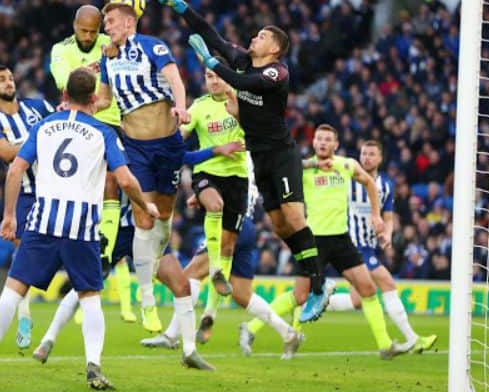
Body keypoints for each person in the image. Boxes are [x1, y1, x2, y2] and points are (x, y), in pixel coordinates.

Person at [0, 68, 159, 390]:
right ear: (93, 99)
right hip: (82, 230)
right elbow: (126, 180)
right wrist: (146, 206)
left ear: (63, 97)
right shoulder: (103, 132)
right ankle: (94, 369)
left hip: (42, 224)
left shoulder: (42, 126)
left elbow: (15, 169)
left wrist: (9, 216)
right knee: (90, 299)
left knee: (10, 295)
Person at [158, 0, 332, 322]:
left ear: (275, 48)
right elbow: (212, 34)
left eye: (262, 36)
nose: (255, 37)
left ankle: (319, 286)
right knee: (281, 228)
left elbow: (246, 82)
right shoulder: (243, 61)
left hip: (282, 154)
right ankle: (316, 279)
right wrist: (182, 7)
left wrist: (211, 64)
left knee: (296, 219)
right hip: (259, 158)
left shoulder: (276, 72)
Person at [31, 143, 241, 369]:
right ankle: (48, 339)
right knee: (85, 284)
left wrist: (214, 151)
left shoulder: (162, 145)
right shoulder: (123, 147)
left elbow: (184, 156)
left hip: (149, 233)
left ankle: (189, 351)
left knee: (182, 287)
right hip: (121, 231)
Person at [98, 0, 190, 334]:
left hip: (167, 144)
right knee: (142, 219)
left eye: (111, 19)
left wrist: (181, 106)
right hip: (134, 146)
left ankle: (150, 265)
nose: (107, 25)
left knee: (163, 217)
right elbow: (105, 98)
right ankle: (147, 302)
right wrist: (83, 106)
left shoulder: (153, 46)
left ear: (129, 20)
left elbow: (174, 79)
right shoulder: (108, 58)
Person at [142, 166, 304, 360]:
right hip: (248, 226)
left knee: (190, 275)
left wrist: (200, 195)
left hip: (229, 224)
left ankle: (171, 335)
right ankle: (288, 333)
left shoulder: (228, 159)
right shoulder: (249, 163)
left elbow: (222, 188)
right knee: (242, 294)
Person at [273, 124, 406, 360]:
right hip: (313, 240)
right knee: (301, 296)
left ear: (336, 144)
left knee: (367, 289)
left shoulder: (346, 165)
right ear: (313, 142)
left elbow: (370, 183)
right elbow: (281, 170)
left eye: (328, 140)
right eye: (319, 139)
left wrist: (376, 214)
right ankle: (269, 331)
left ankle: (385, 345)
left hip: (341, 239)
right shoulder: (303, 168)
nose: (323, 143)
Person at [50, 5, 135, 322]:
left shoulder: (111, 41)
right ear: (75, 26)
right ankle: (84, 288)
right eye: (82, 30)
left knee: (113, 181)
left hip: (111, 120)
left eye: (93, 30)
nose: (88, 36)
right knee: (85, 202)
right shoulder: (61, 49)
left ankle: (108, 250)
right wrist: (97, 64)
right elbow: (66, 83)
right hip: (77, 121)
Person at [327, 140, 437, 353]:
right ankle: (413, 339)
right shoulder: (347, 179)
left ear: (380, 158)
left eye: (371, 154)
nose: (366, 157)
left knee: (356, 301)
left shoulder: (386, 185)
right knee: (387, 283)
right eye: (363, 153)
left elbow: (388, 217)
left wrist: (386, 234)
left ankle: (315, 302)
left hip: (369, 245)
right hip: (352, 245)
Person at [0, 64, 55, 348]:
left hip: (53, 189)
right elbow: (6, 152)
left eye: (10, 78)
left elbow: (64, 119)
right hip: (24, 194)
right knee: (22, 255)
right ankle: (24, 316)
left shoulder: (37, 106)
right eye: (1, 80)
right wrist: (41, 138)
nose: (8, 82)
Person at [180, 63, 248, 300]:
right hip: (207, 171)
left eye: (218, 76)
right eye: (210, 77)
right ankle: (216, 268)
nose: (214, 81)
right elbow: (178, 139)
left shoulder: (242, 99)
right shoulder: (199, 106)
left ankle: (210, 312)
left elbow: (257, 135)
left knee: (228, 245)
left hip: (238, 177)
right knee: (214, 205)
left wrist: (237, 114)